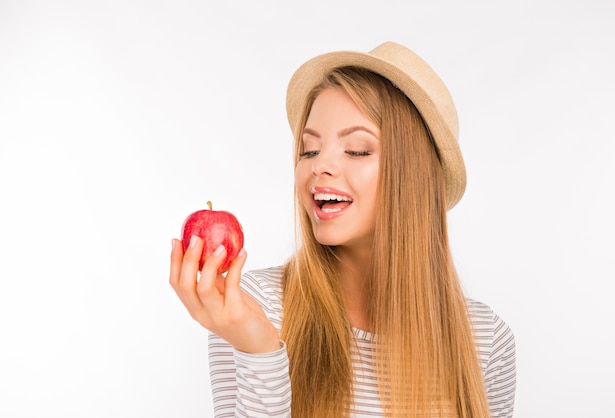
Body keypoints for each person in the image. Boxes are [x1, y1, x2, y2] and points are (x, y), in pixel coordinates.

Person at [169, 41, 516, 417]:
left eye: (356, 150)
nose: (319, 166)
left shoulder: (486, 340)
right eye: (309, 150)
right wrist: (260, 352)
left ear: (414, 178)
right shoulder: (254, 308)